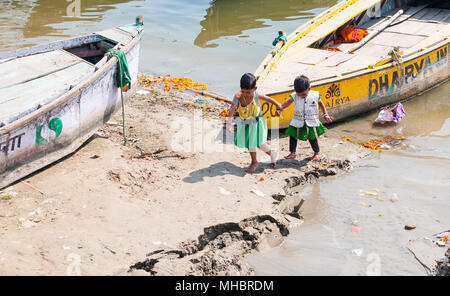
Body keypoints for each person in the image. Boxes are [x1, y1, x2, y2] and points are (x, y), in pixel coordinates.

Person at [227, 73, 281, 173]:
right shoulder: (238, 96)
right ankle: (269, 155)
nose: (245, 94)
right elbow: (231, 110)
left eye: (248, 92)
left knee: (257, 143)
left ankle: (255, 161)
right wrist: (229, 124)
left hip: (256, 124)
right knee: (253, 143)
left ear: (255, 88)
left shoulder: (256, 95)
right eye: (243, 91)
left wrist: (278, 105)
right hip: (245, 123)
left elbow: (269, 99)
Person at [277, 75, 333, 161]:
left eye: (303, 94)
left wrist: (325, 114)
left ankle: (316, 153)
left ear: (309, 88)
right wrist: (280, 108)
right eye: (299, 94)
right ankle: (292, 153)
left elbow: (321, 104)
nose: (301, 96)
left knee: (312, 137)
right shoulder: (294, 96)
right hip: (297, 119)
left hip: (311, 120)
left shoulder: (314, 95)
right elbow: (287, 103)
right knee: (293, 135)